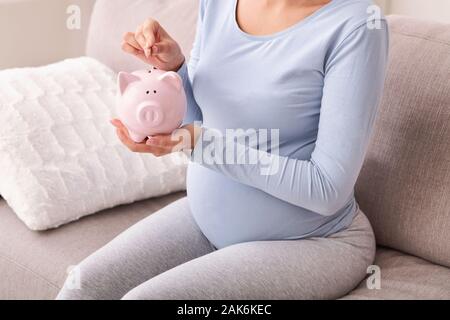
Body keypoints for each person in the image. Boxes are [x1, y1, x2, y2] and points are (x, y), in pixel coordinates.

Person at [57, 0, 389, 300]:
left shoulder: (357, 25)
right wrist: (174, 71)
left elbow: (327, 189)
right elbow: (201, 121)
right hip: (205, 220)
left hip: (312, 241)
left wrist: (199, 143)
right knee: (81, 287)